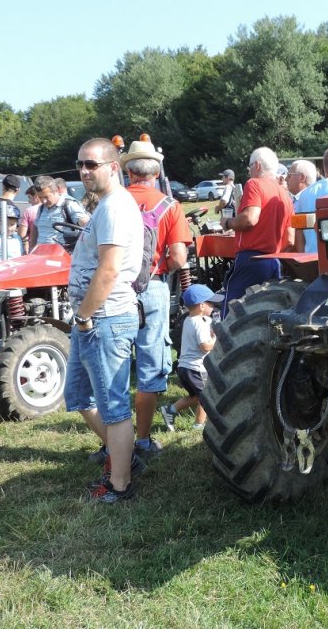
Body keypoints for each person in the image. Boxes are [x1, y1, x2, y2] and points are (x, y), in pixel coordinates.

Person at [64, 138, 144, 503]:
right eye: (80, 164)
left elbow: (109, 270)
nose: (84, 171)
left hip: (105, 318)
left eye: (91, 164)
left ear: (113, 167)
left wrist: (84, 316)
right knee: (78, 396)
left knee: (113, 407)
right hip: (93, 319)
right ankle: (123, 455)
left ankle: (119, 485)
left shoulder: (114, 207)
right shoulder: (105, 206)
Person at [118, 138, 191, 461]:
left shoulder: (112, 202)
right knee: (150, 366)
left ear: (129, 171)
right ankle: (144, 440)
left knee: (115, 366)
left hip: (113, 290)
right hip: (152, 287)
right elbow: (178, 257)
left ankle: (112, 441)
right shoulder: (169, 206)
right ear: (156, 172)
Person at [220, 146, 293, 316]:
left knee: (231, 311)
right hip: (275, 260)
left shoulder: (254, 184)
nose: (249, 171)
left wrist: (228, 222)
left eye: (250, 167)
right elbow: (290, 239)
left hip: (251, 259)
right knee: (270, 311)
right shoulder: (284, 195)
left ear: (257, 165)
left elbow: (250, 218)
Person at [160, 284, 219, 432]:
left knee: (195, 397)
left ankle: (170, 410)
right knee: (206, 398)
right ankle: (198, 426)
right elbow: (205, 347)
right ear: (201, 306)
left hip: (184, 367)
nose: (213, 306)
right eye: (211, 303)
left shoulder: (189, 320)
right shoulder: (200, 323)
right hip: (196, 368)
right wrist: (216, 339)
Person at [32, 175, 89, 249]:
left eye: (46, 197)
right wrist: (32, 249)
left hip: (62, 253)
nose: (44, 201)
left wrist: (86, 222)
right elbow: (35, 229)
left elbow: (85, 222)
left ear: (56, 191)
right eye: (40, 198)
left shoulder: (69, 205)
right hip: (41, 253)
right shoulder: (41, 208)